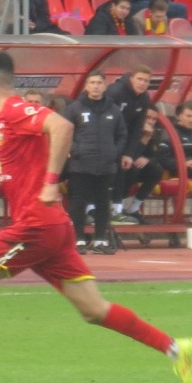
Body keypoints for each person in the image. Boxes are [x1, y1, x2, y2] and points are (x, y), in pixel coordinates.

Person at [0, 51, 192, 383]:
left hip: (36, 224)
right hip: (52, 227)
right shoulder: (0, 122)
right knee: (94, 310)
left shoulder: (15, 109)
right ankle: (176, 350)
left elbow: (62, 126)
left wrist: (51, 181)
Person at [63, 70, 127, 255]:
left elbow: (122, 134)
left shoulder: (113, 110)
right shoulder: (75, 108)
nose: (96, 86)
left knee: (103, 203)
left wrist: (114, 152)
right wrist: (75, 150)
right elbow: (65, 132)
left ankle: (100, 240)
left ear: (104, 86)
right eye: (92, 83)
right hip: (81, 165)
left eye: (99, 83)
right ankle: (78, 239)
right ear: (86, 86)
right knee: (78, 203)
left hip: (106, 166)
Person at [106, 66, 156, 224]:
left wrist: (128, 153)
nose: (142, 83)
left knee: (125, 166)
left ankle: (117, 210)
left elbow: (137, 128)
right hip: (105, 137)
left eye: (146, 81)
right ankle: (92, 210)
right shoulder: (115, 91)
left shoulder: (144, 98)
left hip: (123, 139)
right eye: (139, 79)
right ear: (131, 79)